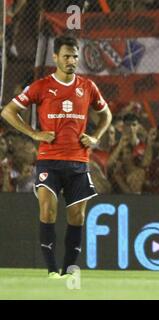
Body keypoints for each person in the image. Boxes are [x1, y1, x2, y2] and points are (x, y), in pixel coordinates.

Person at [1, 35, 112, 279]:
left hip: (78, 161)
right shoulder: (41, 86)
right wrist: (33, 133)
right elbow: (9, 112)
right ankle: (52, 269)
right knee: (47, 210)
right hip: (49, 160)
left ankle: (69, 268)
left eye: (74, 56)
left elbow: (107, 116)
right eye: (66, 56)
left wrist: (95, 137)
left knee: (77, 215)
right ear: (55, 57)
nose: (72, 60)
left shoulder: (88, 87)